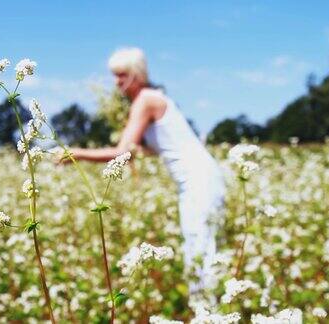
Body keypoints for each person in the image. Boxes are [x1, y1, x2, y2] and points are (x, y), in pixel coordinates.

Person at [58, 47, 227, 295]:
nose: (117, 82)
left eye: (122, 75)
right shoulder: (152, 98)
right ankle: (205, 308)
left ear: (137, 74)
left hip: (198, 180)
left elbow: (120, 154)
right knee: (197, 247)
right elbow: (155, 148)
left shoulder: (146, 100)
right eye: (115, 76)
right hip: (197, 179)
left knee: (200, 248)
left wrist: (76, 153)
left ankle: (207, 310)